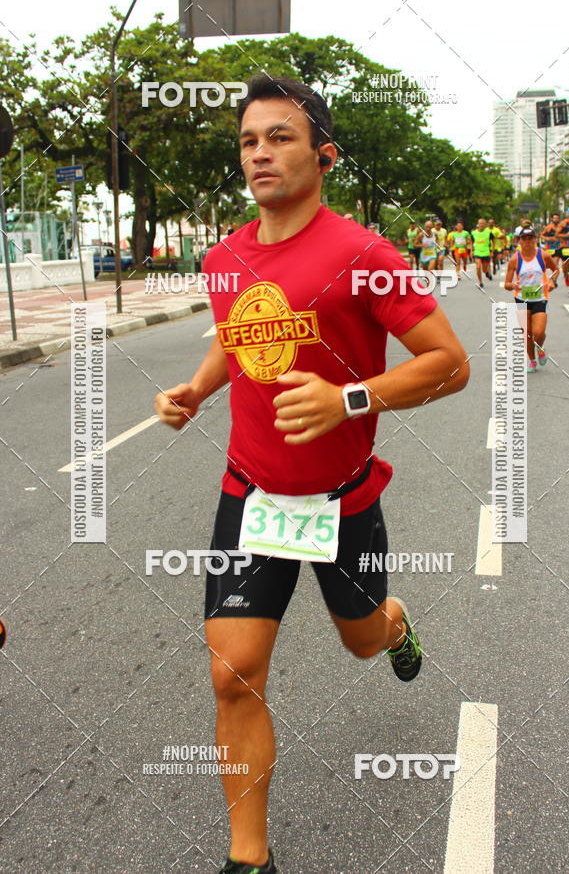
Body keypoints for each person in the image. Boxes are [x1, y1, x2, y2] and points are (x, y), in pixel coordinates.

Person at [155, 75, 470, 874]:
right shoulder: (224, 256)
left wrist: (348, 398)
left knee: (361, 643)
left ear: (323, 154)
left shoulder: (365, 254)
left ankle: (395, 623)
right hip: (250, 493)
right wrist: (197, 387)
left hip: (342, 500)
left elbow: (451, 365)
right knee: (233, 674)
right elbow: (238, 335)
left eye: (280, 137)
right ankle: (247, 858)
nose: (260, 152)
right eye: (249, 140)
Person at [504, 222, 559, 373]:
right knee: (527, 334)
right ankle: (532, 360)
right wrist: (513, 285)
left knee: (538, 332)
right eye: (524, 238)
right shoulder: (515, 260)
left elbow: (555, 270)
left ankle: (540, 348)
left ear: (535, 239)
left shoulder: (543, 255)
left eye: (530, 238)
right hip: (521, 299)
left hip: (540, 298)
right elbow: (506, 284)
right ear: (519, 241)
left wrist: (553, 281)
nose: (527, 241)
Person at [540, 213, 563, 287]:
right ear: (552, 219)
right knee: (547, 265)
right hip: (549, 249)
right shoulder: (548, 227)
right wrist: (548, 238)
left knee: (555, 264)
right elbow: (541, 235)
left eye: (557, 218)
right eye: (554, 218)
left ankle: (553, 280)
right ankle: (545, 279)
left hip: (557, 248)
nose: (556, 219)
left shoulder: (561, 227)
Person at [471, 218, 493, 287]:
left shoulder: (488, 232)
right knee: (478, 267)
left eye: (483, 223)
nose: (481, 225)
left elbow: (493, 241)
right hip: (477, 252)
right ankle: (480, 282)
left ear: (485, 225)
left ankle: (486, 272)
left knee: (484, 269)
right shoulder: (474, 233)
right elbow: (471, 242)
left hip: (486, 252)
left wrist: (492, 250)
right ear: (478, 224)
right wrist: (472, 250)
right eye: (480, 223)